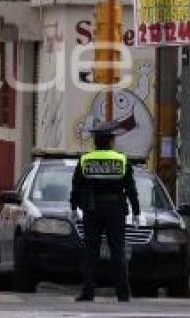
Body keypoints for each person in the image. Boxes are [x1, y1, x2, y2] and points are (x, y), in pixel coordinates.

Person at [70, 121, 140, 303]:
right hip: (116, 209)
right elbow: (130, 188)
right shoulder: (121, 159)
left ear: (95, 141)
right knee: (118, 250)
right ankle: (123, 293)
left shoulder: (85, 159)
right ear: (110, 141)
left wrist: (73, 207)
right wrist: (137, 211)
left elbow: (76, 187)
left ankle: (87, 291)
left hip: (91, 209)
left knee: (90, 251)